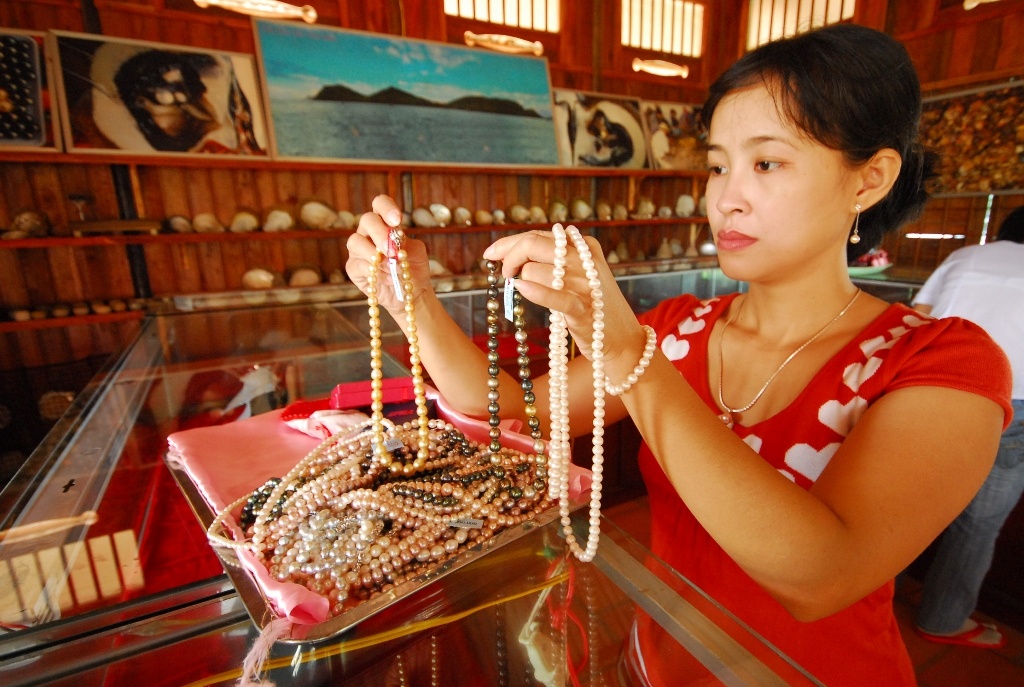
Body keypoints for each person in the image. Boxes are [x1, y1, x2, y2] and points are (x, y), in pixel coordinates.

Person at [345, 24, 1012, 686]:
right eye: (718, 165)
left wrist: (624, 348)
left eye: (766, 163)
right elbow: (511, 409)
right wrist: (413, 302)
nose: (726, 198)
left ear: (869, 179)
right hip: (657, 662)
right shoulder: (680, 330)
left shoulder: (941, 362)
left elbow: (820, 576)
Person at [911, 206, 1024, 649]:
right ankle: (941, 619)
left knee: (901, 495)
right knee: (978, 524)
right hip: (1011, 404)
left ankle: (855, 597)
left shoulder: (966, 256)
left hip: (934, 387)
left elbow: (919, 315)